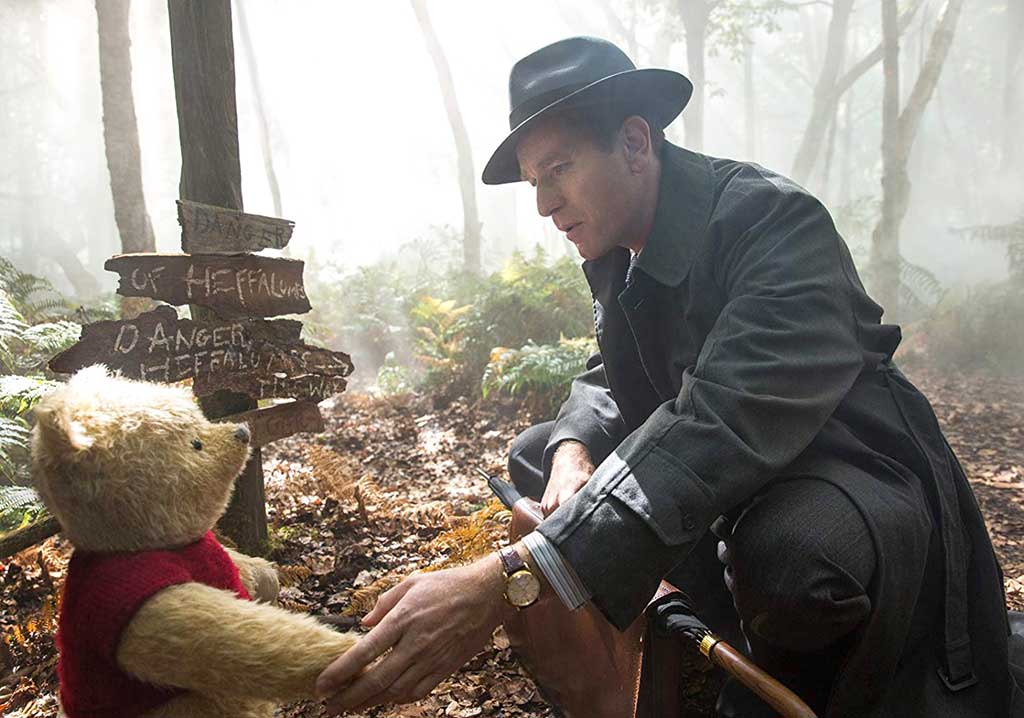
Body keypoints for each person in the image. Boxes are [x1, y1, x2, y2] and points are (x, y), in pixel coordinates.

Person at [317, 36, 1015, 717]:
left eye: (559, 169)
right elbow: (611, 368)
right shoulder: (617, 246)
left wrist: (514, 576)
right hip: (730, 469)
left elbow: (723, 417)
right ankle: (689, 641)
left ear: (634, 142)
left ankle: (782, 681)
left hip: (845, 465)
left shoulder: (773, 222)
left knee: (791, 558)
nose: (544, 205)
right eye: (535, 182)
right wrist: (573, 448)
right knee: (539, 454)